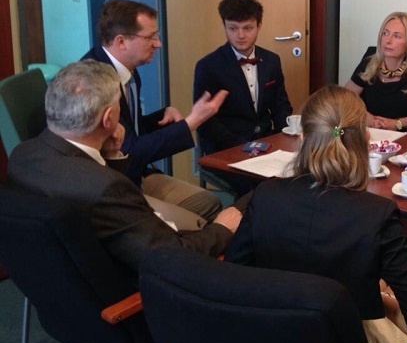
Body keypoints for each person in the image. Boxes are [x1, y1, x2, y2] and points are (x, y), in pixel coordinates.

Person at [225, 85, 407, 343]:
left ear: (303, 138)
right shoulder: (377, 215)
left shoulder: (265, 196)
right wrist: (383, 299)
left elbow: (232, 278)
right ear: (365, 141)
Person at [7, 61, 241, 274]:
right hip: (131, 296)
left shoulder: (21, 155)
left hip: (61, 282)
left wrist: (112, 155)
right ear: (108, 118)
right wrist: (222, 229)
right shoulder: (107, 188)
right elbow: (170, 256)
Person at [83, 0, 227, 223]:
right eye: (150, 37)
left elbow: (130, 128)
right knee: (197, 224)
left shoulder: (128, 72)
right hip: (111, 187)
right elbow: (128, 151)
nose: (158, 44)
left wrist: (161, 116)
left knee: (210, 202)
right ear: (121, 41)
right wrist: (191, 122)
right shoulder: (94, 82)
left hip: (135, 174)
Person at [194, 0, 293, 195]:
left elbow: (280, 106)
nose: (240, 35)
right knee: (258, 188)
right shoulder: (208, 66)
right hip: (226, 147)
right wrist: (243, 147)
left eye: (247, 28)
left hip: (267, 143)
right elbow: (206, 123)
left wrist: (285, 142)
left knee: (295, 175)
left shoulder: (272, 60)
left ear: (259, 26)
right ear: (224, 26)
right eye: (233, 28)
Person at [344, 12, 407, 137]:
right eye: (385, 33)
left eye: (397, 36)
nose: (388, 40)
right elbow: (344, 98)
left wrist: (397, 123)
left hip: (405, 138)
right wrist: (368, 118)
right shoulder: (369, 62)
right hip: (368, 135)